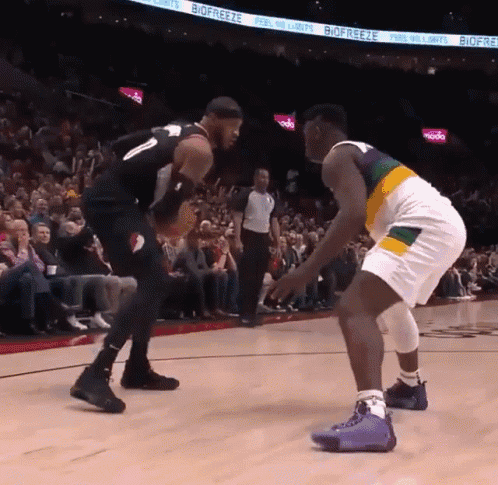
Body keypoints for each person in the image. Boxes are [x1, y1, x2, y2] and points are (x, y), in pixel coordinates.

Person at [271, 104, 466, 452]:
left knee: (354, 307)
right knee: (390, 307)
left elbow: (353, 214)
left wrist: (307, 268)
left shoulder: (337, 156)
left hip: (422, 224)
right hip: (440, 224)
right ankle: (409, 386)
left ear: (317, 128)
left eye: (305, 132)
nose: (303, 140)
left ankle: (372, 417)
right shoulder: (360, 154)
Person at [70, 96, 243, 413]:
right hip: (115, 204)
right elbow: (166, 213)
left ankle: (137, 366)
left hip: (115, 199)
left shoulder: (176, 128)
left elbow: (121, 145)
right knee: (153, 279)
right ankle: (96, 373)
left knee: (157, 280)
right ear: (217, 118)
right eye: (235, 127)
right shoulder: (201, 151)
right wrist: (180, 223)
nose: (237, 134)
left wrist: (139, 179)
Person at [230, 168, 281, 327]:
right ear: (255, 178)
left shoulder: (271, 199)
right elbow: (237, 218)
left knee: (258, 278)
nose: (265, 180)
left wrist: (277, 243)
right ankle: (243, 313)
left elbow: (274, 222)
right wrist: (238, 239)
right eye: (262, 177)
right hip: (248, 236)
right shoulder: (246, 194)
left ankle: (252, 313)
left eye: (267, 177)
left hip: (263, 239)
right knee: (247, 277)